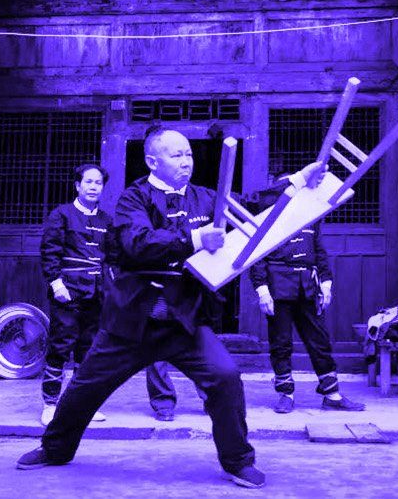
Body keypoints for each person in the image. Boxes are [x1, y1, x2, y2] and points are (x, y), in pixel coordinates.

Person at [18, 127, 320, 489]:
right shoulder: (133, 199)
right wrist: (195, 238)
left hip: (184, 321)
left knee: (225, 378)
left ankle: (238, 461)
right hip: (131, 321)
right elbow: (137, 242)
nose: (185, 162)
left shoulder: (205, 198)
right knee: (85, 386)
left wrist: (299, 179)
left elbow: (252, 204)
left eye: (189, 155)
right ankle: (55, 449)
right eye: (176, 155)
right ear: (152, 161)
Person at [244, 175, 364, 414]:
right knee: (281, 343)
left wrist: (326, 284)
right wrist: (262, 290)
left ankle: (332, 394)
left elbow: (319, 252)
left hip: (307, 287)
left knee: (319, 340)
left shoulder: (311, 218)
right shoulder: (268, 219)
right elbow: (256, 257)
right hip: (278, 289)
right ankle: (285, 394)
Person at [37, 163, 113, 426]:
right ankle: (50, 404)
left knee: (88, 350)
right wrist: (56, 284)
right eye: (88, 182)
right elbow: (50, 252)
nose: (93, 187)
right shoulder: (62, 215)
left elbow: (112, 255)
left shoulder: (106, 220)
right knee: (60, 346)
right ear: (78, 185)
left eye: (98, 183)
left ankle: (81, 407)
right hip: (67, 291)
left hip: (96, 292)